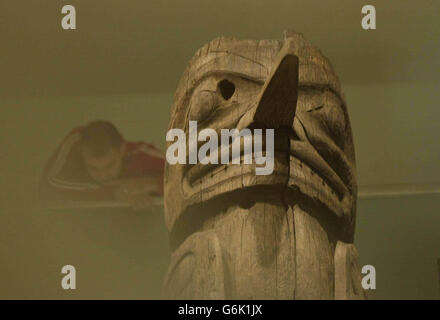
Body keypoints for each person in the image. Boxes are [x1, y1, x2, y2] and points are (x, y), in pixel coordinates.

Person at [40, 120, 164, 210]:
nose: (102, 175)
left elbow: (182, 179)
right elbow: (48, 185)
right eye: (93, 168)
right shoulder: (75, 143)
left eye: (110, 166)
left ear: (122, 150)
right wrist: (114, 193)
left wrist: (150, 183)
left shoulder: (142, 154)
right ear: (81, 154)